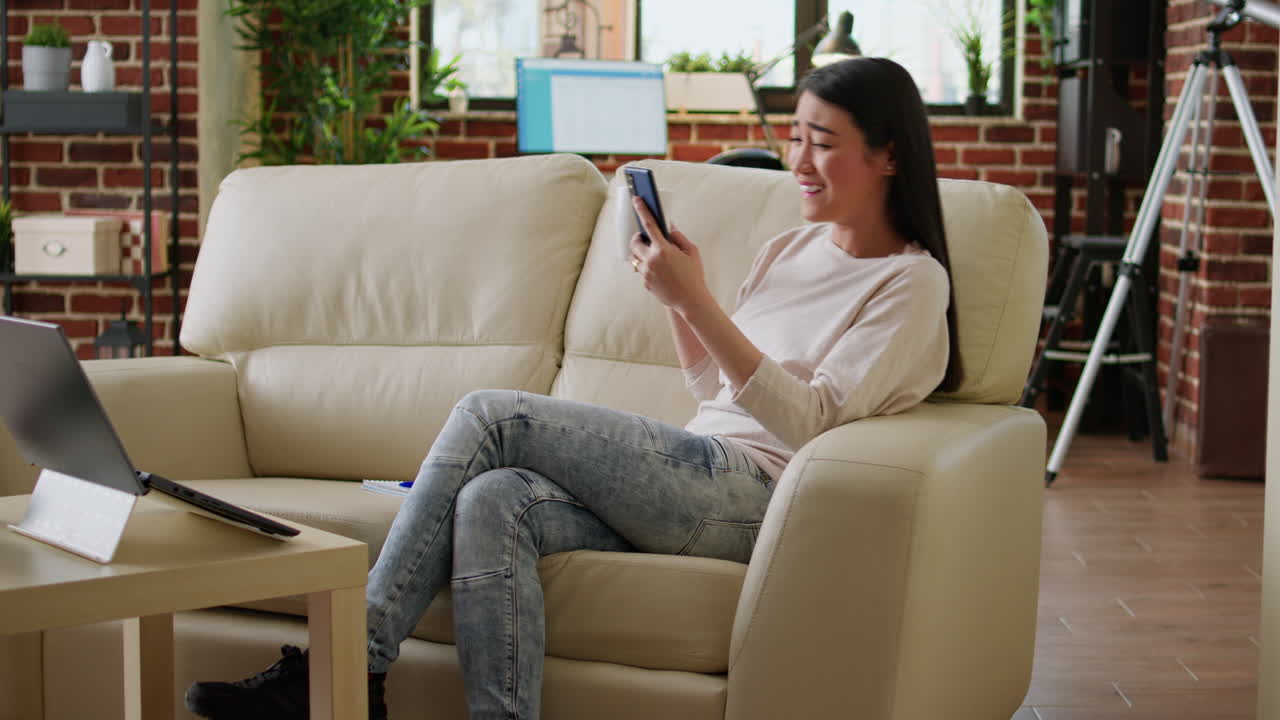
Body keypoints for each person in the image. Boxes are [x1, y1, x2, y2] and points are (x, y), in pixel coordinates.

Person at [183, 56, 962, 720]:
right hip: (701, 465)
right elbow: (711, 384)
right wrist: (675, 303)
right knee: (493, 500)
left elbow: (812, 423)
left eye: (820, 143)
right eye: (794, 138)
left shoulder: (911, 284)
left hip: (760, 496)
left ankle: (343, 674)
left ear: (888, 156)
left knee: (490, 417)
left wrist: (697, 298)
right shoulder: (790, 247)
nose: (797, 161)